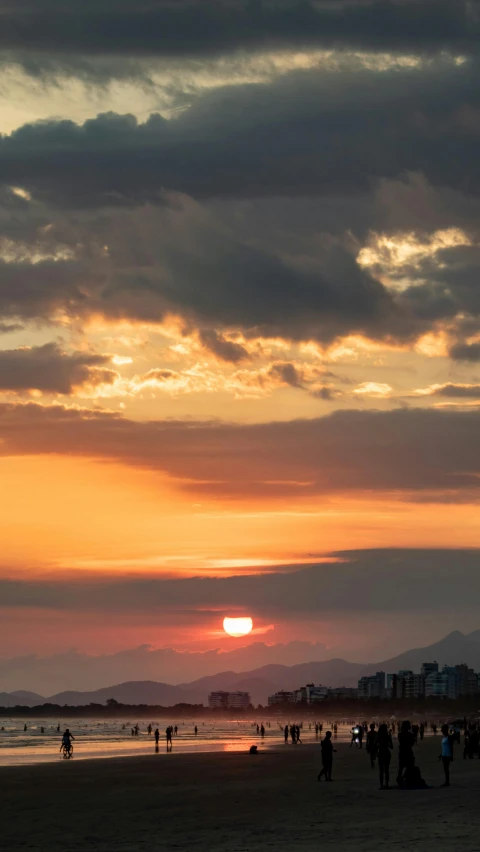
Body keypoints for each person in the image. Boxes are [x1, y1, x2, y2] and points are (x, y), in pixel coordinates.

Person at [397, 721, 415, 786]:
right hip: (408, 751)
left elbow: (400, 742)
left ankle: (400, 779)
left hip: (402, 751)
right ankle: (407, 779)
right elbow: (412, 744)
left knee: (400, 768)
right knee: (409, 767)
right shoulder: (410, 735)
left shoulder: (400, 734)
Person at [377, 724, 393, 789]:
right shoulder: (387, 736)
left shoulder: (378, 736)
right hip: (387, 753)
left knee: (381, 770)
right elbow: (391, 746)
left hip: (380, 753)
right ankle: (386, 784)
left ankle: (381, 785)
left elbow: (375, 745)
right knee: (386, 770)